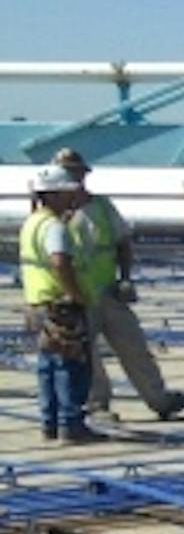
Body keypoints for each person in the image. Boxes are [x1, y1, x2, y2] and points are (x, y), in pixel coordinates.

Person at [52, 148, 184, 420]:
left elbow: (121, 243)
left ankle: (159, 398)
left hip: (107, 291)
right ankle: (97, 405)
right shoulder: (54, 216)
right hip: (77, 295)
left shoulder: (101, 206)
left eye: (77, 174)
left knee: (133, 346)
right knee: (87, 355)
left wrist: (125, 278)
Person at [17, 167, 104, 443]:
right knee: (71, 365)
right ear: (53, 195)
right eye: (67, 192)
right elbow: (59, 262)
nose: (72, 196)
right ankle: (71, 425)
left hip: (37, 304)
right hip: (60, 306)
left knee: (47, 367)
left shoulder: (33, 222)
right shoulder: (55, 227)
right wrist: (76, 294)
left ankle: (50, 423)